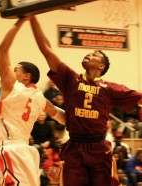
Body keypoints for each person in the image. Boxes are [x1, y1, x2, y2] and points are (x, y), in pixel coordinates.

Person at [29, 16, 142, 186]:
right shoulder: (70, 79)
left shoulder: (109, 88)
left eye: (94, 55)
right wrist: (32, 17)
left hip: (98, 147)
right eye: (88, 53)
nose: (89, 54)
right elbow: (46, 49)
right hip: (75, 145)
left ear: (101, 66)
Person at [0, 17, 65, 186]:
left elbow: (2, 49)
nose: (13, 71)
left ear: (27, 76)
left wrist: (21, 20)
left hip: (11, 148)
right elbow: (62, 117)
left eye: (16, 69)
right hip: (28, 151)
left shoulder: (12, 87)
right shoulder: (41, 98)